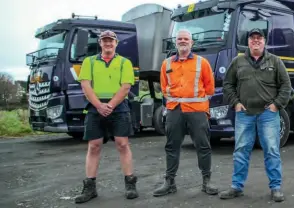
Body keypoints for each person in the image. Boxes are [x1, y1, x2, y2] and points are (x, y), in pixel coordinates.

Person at [219, 28, 292, 202]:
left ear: (264, 41)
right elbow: (228, 84)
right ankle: (236, 187)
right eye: (253, 38)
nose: (256, 41)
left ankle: (275, 188)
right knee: (241, 150)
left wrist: (276, 105)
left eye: (259, 38)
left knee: (272, 150)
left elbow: (286, 86)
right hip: (245, 114)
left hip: (268, 114)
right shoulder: (238, 61)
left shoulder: (275, 61)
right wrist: (235, 103)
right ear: (248, 42)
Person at [152, 29, 218, 197]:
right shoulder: (166, 64)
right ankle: (170, 182)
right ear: (176, 42)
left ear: (191, 43)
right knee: (172, 146)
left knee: (203, 146)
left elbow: (210, 88)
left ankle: (206, 181)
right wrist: (174, 102)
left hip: (197, 112)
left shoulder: (201, 63)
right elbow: (164, 87)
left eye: (186, 39)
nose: (182, 41)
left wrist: (200, 104)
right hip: (174, 111)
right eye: (180, 39)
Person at [74, 30, 138, 203]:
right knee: (94, 146)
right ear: (100, 43)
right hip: (96, 106)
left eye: (111, 41)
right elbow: (85, 85)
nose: (108, 43)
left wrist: (110, 105)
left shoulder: (125, 62)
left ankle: (130, 184)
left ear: (116, 43)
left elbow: (126, 87)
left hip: (118, 106)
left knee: (122, 144)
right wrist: (99, 105)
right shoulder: (90, 62)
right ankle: (90, 188)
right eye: (105, 41)